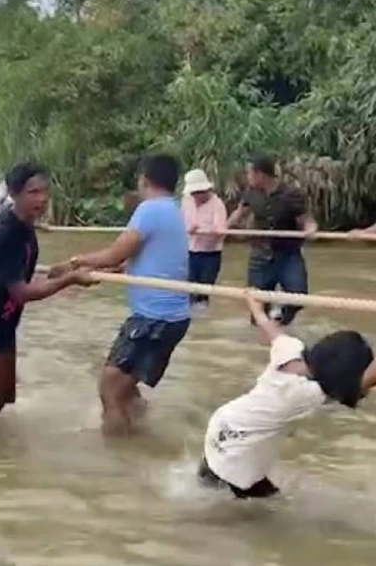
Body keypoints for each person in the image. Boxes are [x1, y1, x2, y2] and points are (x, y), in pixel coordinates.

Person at [52, 154, 192, 435]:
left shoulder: (149, 210)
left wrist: (75, 262)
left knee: (109, 388)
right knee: (126, 386)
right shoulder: (174, 210)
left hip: (153, 318)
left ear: (144, 179)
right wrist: (107, 271)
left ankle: (121, 453)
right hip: (173, 318)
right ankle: (141, 431)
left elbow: (116, 253)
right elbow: (141, 260)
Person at [199, 292, 376, 499]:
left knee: (218, 484)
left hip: (224, 423)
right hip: (238, 449)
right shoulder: (307, 394)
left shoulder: (291, 348)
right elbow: (367, 380)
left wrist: (254, 303)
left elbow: (268, 326)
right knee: (264, 506)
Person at [0, 162, 95, 414]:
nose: (42, 199)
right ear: (14, 194)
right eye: (33, 192)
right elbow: (22, 293)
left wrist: (61, 271)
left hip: (2, 327)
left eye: (45, 191)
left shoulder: (24, 224)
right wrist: (69, 280)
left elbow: (20, 271)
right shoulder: (3, 234)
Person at [227, 153, 317, 325]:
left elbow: (306, 220)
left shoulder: (292, 194)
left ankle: (279, 319)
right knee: (257, 305)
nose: (247, 177)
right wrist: (222, 229)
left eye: (249, 173)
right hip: (260, 255)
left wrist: (310, 230)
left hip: (287, 254)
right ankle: (260, 337)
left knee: (299, 296)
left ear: (260, 174)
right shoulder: (251, 193)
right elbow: (239, 213)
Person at [181, 168, 228, 306]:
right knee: (187, 290)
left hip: (210, 254)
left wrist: (203, 231)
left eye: (197, 192)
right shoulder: (186, 201)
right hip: (189, 252)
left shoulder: (217, 205)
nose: (195, 196)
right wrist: (189, 229)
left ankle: (202, 314)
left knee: (203, 292)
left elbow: (220, 231)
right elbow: (181, 222)